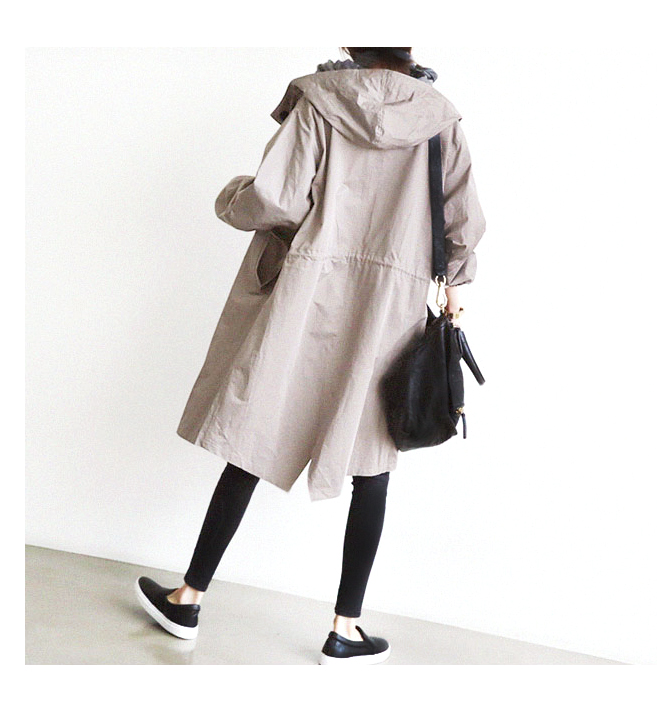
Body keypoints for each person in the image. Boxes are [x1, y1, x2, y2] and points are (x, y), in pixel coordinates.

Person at [135, 47, 487, 665]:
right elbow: (461, 218)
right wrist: (456, 280)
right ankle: (345, 629)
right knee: (372, 456)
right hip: (392, 299)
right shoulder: (440, 118)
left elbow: (275, 199)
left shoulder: (320, 102)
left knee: (256, 431)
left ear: (353, 45)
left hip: (310, 285)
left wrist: (231, 197)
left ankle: (188, 598)